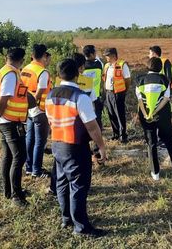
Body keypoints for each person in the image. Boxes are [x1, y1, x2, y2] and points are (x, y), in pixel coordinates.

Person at [45, 58, 107, 237]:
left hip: (57, 144)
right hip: (75, 146)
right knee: (79, 186)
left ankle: (67, 219)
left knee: (62, 183)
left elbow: (50, 120)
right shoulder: (80, 97)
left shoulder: (51, 95)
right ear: (77, 74)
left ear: (58, 74)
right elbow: (92, 126)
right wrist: (101, 146)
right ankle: (81, 227)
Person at [0, 48, 29, 206]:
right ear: (22, 60)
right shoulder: (11, 74)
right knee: (19, 156)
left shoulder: (3, 71)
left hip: (5, 120)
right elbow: (2, 99)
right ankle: (16, 196)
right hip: (9, 121)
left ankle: (9, 191)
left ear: (6, 58)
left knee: (9, 156)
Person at [136, 57, 172, 180]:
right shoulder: (164, 79)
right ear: (160, 67)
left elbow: (140, 100)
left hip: (145, 115)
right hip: (162, 114)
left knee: (151, 142)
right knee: (169, 140)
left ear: (147, 67)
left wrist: (146, 113)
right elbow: (166, 98)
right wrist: (156, 111)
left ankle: (155, 173)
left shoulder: (140, 80)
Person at [21, 44, 51, 178]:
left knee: (30, 138)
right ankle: (37, 171)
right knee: (40, 141)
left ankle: (29, 167)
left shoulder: (25, 69)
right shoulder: (42, 72)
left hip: (28, 109)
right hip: (39, 109)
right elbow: (39, 92)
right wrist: (34, 104)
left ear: (32, 55)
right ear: (44, 55)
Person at [102, 48, 131, 143]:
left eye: (108, 56)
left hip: (118, 93)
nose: (106, 57)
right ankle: (115, 134)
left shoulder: (122, 65)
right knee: (111, 114)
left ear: (114, 56)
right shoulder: (106, 66)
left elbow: (127, 80)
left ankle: (123, 136)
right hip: (109, 93)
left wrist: (124, 91)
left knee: (120, 115)